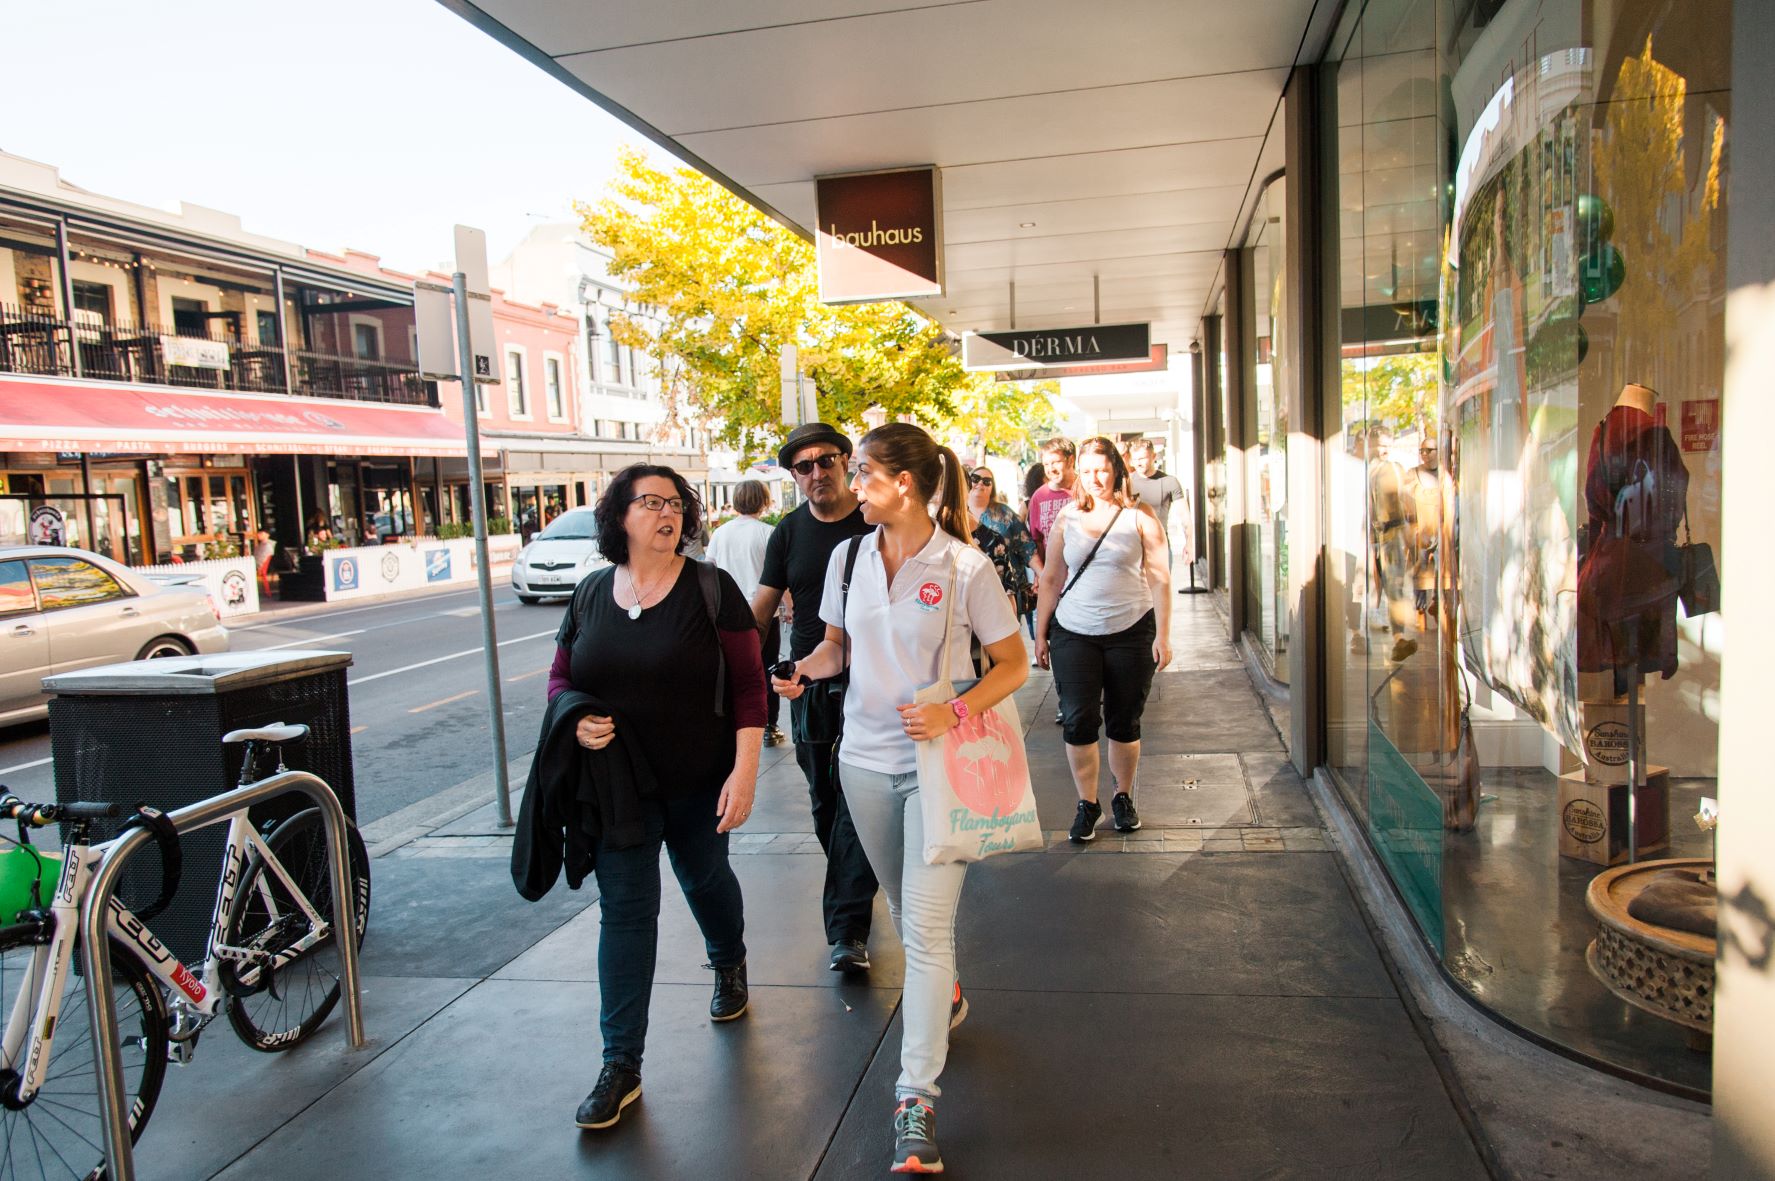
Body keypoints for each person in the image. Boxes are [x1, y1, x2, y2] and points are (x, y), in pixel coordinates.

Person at [772, 423, 1026, 1175]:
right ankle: (943, 988)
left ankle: (914, 1099)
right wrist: (803, 668)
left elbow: (1011, 663)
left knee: (921, 931)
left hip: (938, 767)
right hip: (861, 762)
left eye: (860, 471)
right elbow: (836, 646)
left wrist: (958, 707)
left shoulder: (963, 566)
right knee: (906, 913)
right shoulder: (848, 556)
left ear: (902, 483)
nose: (850, 483)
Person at [529, 463, 766, 1132]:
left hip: (699, 780)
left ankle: (729, 960)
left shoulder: (711, 589)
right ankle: (620, 1064)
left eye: (675, 503)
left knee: (704, 876)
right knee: (627, 914)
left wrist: (743, 772)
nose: (667, 513)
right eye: (651, 501)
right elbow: (559, 678)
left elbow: (750, 690)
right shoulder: (590, 594)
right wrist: (573, 718)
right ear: (619, 516)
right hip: (618, 792)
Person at [750, 422, 880, 975]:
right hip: (811, 682)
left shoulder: (874, 519)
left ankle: (848, 928)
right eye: (804, 466)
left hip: (875, 682)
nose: (817, 472)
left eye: (826, 460)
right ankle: (853, 886)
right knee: (826, 801)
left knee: (859, 801)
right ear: (794, 477)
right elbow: (760, 609)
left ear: (847, 461)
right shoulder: (787, 533)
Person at [1034, 436, 1173, 842]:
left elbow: (1160, 578)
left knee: (1124, 721)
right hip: (1075, 632)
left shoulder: (1140, 515)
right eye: (1088, 469)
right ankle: (1086, 803)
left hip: (1131, 630)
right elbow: (1051, 579)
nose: (1095, 478)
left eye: (1103, 469)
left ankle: (1123, 797)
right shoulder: (1068, 518)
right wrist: (1041, 633)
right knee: (1078, 720)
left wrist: (1163, 635)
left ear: (1116, 469)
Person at [710, 479, 785, 745]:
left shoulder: (721, 533)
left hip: (727, 615)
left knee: (733, 670)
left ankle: (734, 722)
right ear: (764, 501)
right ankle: (769, 726)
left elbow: (710, 569)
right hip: (764, 614)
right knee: (767, 669)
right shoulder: (768, 533)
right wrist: (789, 605)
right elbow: (779, 576)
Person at [967, 466, 1036, 632]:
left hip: (1006, 589)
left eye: (987, 481)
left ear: (992, 488)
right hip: (970, 589)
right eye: (975, 479)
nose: (980, 484)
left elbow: (1026, 546)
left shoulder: (1004, 513)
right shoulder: (957, 513)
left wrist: (1042, 574)